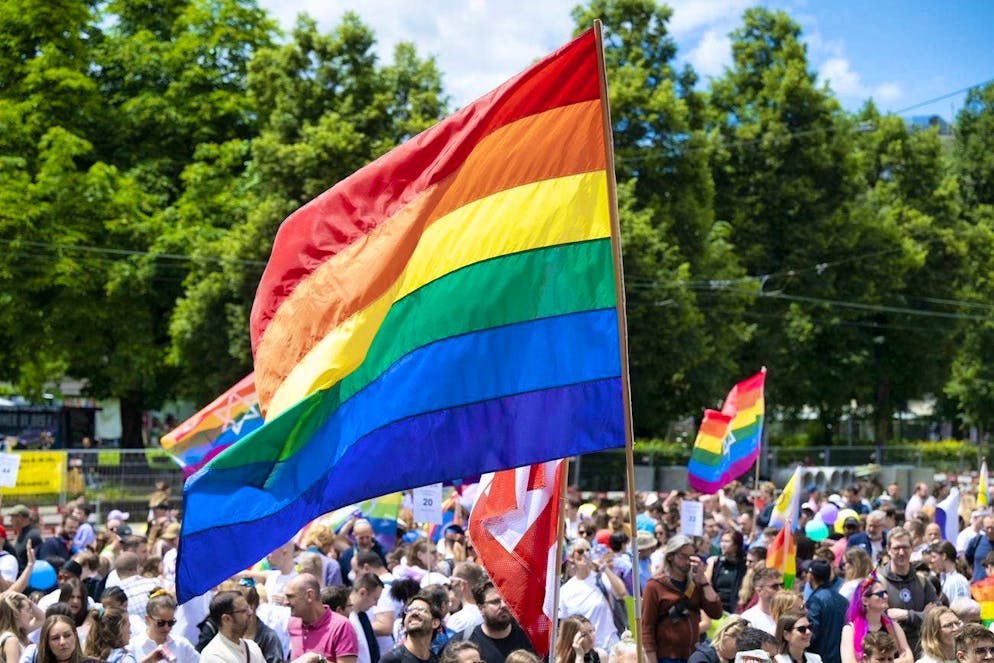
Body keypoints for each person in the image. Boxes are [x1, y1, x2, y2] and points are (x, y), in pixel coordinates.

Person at [640, 534, 723, 663]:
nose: (687, 561)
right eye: (683, 556)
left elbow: (716, 612)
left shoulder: (694, 585)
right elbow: (646, 627)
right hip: (667, 657)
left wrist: (704, 581)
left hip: (693, 655)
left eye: (691, 557)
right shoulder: (654, 586)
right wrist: (651, 659)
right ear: (670, 557)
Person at [878, 528, 939, 657]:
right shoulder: (877, 583)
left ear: (912, 548)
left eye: (905, 547)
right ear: (888, 549)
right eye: (896, 548)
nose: (901, 552)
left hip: (921, 651)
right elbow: (879, 617)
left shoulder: (922, 581)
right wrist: (923, 615)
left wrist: (907, 615)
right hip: (890, 654)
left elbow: (937, 615)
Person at [559, 541, 625, 649]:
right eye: (580, 551)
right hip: (584, 649)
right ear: (571, 557)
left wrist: (605, 568)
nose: (585, 554)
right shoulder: (565, 590)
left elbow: (621, 593)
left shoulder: (602, 578)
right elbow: (564, 625)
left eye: (588, 550)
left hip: (609, 644)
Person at [285, 573, 357, 663]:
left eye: (290, 597)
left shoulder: (341, 626)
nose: (285, 602)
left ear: (309, 596)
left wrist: (318, 660)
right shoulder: (293, 624)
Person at [840, 576, 913, 663]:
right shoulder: (850, 630)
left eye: (886, 592)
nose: (885, 596)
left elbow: (909, 659)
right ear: (865, 601)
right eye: (880, 594)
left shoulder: (893, 627)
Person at [456, 582, 533, 663]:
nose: (504, 605)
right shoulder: (464, 641)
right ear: (481, 608)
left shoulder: (528, 639)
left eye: (506, 599)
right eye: (496, 601)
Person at [129, 590, 200, 663]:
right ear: (147, 619)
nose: (166, 628)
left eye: (171, 622)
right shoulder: (133, 647)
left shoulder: (181, 645)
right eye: (160, 623)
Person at [200, 590, 265, 663]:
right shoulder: (213, 655)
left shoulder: (252, 647)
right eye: (244, 611)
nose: (250, 612)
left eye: (249, 608)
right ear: (226, 619)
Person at [803, 560, 848, 663]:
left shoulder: (815, 601)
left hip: (821, 658)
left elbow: (812, 634)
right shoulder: (843, 600)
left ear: (810, 576)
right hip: (841, 657)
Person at [381, 595, 440, 663]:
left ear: (435, 623)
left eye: (421, 609)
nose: (414, 613)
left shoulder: (437, 660)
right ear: (404, 627)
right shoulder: (391, 660)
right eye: (409, 610)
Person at [706, 531, 746, 614]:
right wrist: (710, 566)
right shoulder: (717, 563)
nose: (723, 545)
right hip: (717, 608)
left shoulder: (744, 566)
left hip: (734, 610)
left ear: (736, 545)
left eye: (727, 541)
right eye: (722, 541)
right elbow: (707, 584)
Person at [0, 591, 44, 663]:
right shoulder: (11, 640)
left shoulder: (19, 633)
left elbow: (42, 618)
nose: (31, 615)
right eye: (27, 610)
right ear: (16, 614)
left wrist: (27, 600)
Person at [741, 569, 782, 634]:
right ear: (759, 591)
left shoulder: (787, 614)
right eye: (775, 586)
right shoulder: (748, 618)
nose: (780, 590)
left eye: (782, 585)